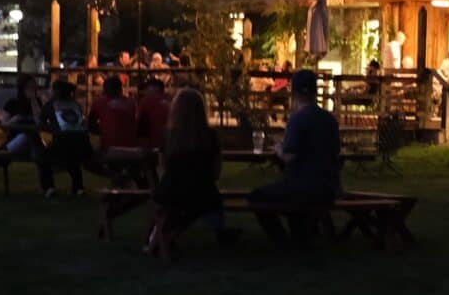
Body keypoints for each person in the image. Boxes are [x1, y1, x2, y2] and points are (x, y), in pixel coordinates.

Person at [249, 69, 342, 245]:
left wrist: (278, 149)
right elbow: (335, 151)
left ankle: (282, 241)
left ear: (294, 93)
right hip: (329, 187)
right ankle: (300, 238)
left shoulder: (298, 119)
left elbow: (289, 156)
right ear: (315, 91)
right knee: (290, 196)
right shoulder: (330, 120)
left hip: (304, 187)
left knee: (257, 197)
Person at [149, 88, 236, 255]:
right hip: (202, 191)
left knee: (179, 204)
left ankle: (165, 235)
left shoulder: (167, 136)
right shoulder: (210, 136)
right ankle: (220, 230)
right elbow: (216, 172)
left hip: (170, 191)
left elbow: (163, 167)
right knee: (209, 200)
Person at [37, 79, 94, 197]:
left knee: (42, 158)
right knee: (73, 159)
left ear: (56, 91)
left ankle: (49, 187)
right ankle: (78, 187)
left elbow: (41, 122)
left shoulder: (52, 104)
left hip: (63, 142)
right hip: (83, 144)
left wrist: (51, 128)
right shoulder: (75, 104)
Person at [0, 74, 45, 156]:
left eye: (34, 87)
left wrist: (33, 100)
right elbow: (4, 125)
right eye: (29, 87)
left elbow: (39, 121)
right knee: (26, 136)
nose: (32, 90)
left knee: (30, 135)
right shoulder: (12, 103)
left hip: (33, 143)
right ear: (22, 88)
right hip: (15, 140)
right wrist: (14, 119)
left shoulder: (37, 103)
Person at [135, 77, 171, 148]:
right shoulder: (171, 99)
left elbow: (139, 125)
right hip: (171, 144)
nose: (145, 90)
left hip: (153, 145)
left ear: (153, 88)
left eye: (147, 88)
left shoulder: (146, 101)